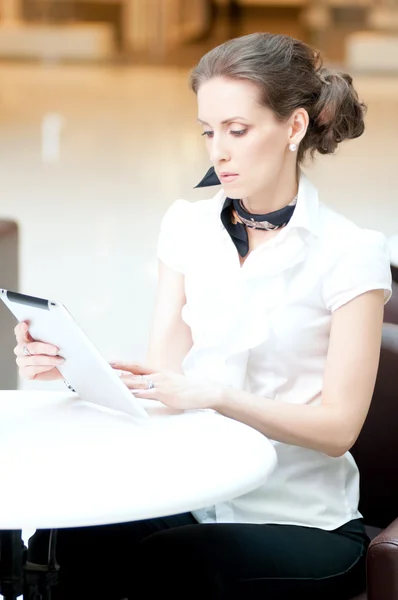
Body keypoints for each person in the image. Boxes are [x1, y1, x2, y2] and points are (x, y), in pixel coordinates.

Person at [14, 32, 391, 600]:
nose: (218, 151)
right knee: (69, 539)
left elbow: (338, 430)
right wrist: (72, 369)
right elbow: (166, 380)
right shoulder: (187, 227)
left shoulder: (348, 253)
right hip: (193, 496)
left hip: (302, 522)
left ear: (293, 128)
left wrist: (215, 395)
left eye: (237, 131)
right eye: (209, 131)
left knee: (173, 565)